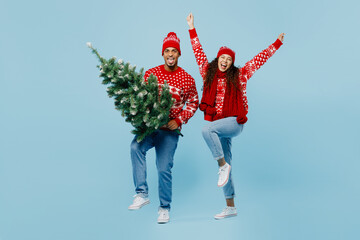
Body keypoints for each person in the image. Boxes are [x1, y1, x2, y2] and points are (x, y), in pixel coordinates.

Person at [186, 13, 285, 220]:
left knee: (207, 129)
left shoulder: (240, 75)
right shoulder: (208, 72)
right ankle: (230, 206)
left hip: (234, 122)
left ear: (232, 63)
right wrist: (192, 28)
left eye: (229, 59)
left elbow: (260, 60)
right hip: (218, 126)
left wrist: (276, 43)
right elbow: (198, 52)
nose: (225, 61)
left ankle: (222, 166)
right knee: (227, 162)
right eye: (223, 57)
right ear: (218, 58)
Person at [128, 32, 199, 224]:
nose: (170, 54)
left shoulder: (186, 78)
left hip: (169, 132)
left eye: (174, 51)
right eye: (167, 50)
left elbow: (193, 102)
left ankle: (164, 207)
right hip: (151, 127)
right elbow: (141, 97)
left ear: (178, 54)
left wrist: (180, 120)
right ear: (163, 53)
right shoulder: (151, 74)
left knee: (163, 168)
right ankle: (142, 194)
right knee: (136, 147)